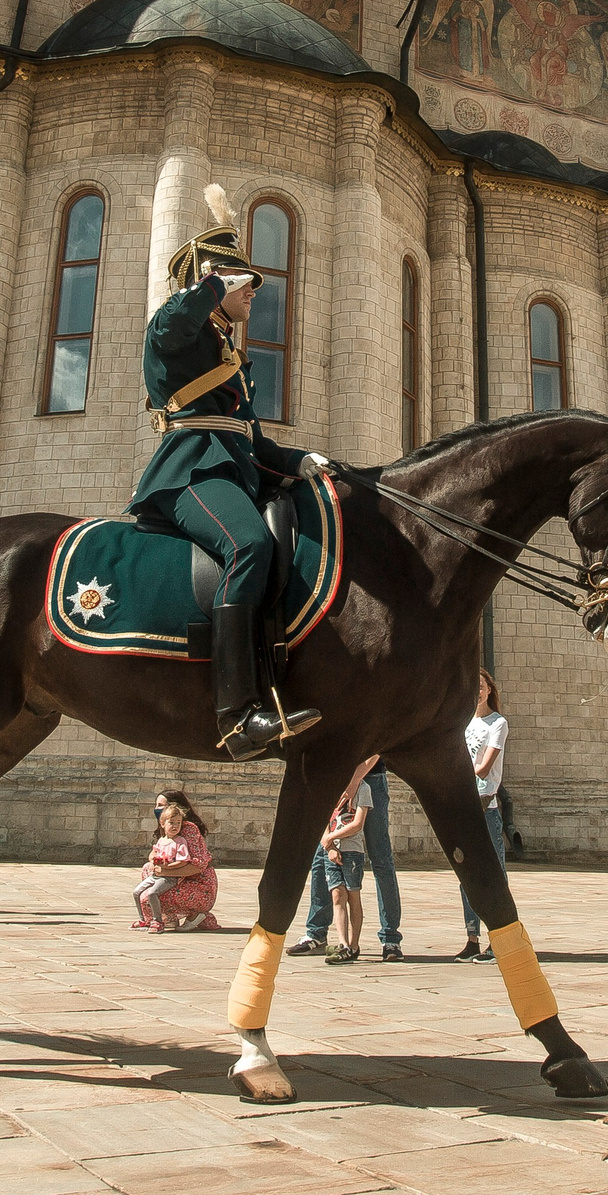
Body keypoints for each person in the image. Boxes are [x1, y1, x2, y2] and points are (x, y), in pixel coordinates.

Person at [131, 184, 331, 760]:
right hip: (190, 472)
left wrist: (300, 461)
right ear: (213, 284)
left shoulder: (230, 358)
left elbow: (253, 441)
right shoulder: (176, 332)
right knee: (248, 544)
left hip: (232, 469)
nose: (253, 293)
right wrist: (213, 283)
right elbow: (172, 323)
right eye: (244, 284)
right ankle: (237, 715)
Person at [292, 756, 403, 961]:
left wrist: (354, 781)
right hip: (335, 778)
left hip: (370, 778)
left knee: (381, 859)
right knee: (322, 855)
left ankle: (390, 938)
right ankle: (317, 932)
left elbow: (377, 747)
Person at [456, 669, 509, 961]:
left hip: (485, 806)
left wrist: (455, 773)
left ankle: (498, 939)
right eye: (471, 686)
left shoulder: (497, 723)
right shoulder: (463, 723)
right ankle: (472, 938)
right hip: (463, 804)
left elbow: (485, 767)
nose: (476, 691)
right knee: (465, 875)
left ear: (489, 689)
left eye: (480, 686)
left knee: (494, 874)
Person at [133, 789, 219, 932]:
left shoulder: (188, 829)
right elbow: (155, 851)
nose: (157, 809)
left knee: (149, 896)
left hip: (198, 883)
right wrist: (155, 860)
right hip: (176, 877)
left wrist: (165, 871)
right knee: (148, 869)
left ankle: (195, 914)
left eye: (161, 805)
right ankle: (170, 918)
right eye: (156, 805)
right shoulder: (167, 827)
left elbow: (197, 866)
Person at [315, 787, 369, 962]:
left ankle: (354, 945)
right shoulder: (332, 786)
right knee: (337, 896)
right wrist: (330, 846)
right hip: (330, 850)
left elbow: (357, 823)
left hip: (352, 850)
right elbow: (321, 818)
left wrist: (331, 838)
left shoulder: (363, 788)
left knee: (353, 896)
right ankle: (343, 944)